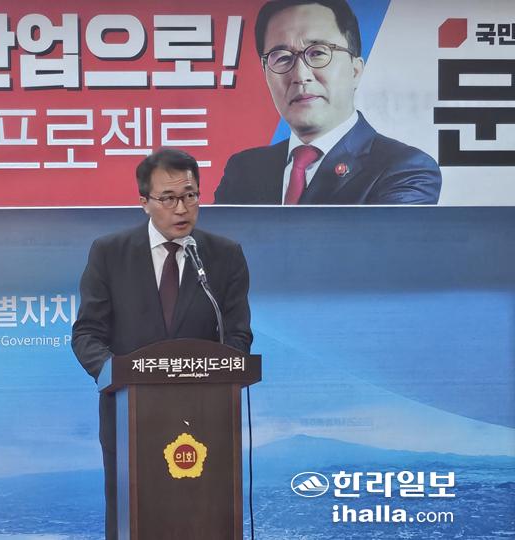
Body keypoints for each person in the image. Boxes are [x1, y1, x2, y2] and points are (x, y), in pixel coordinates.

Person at [72, 148, 253, 539]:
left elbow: (237, 334)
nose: (182, 208)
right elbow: (87, 334)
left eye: (190, 195)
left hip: (207, 419)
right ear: (144, 202)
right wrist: (118, 376)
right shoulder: (110, 253)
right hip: (129, 418)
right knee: (133, 518)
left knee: (205, 516)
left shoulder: (224, 256)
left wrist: (224, 371)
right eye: (168, 198)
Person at [214, 0, 441, 205]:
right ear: (266, 75)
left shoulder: (405, 169)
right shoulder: (244, 169)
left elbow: (382, 240)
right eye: (282, 58)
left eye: (318, 53)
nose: (300, 75)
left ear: (355, 70)